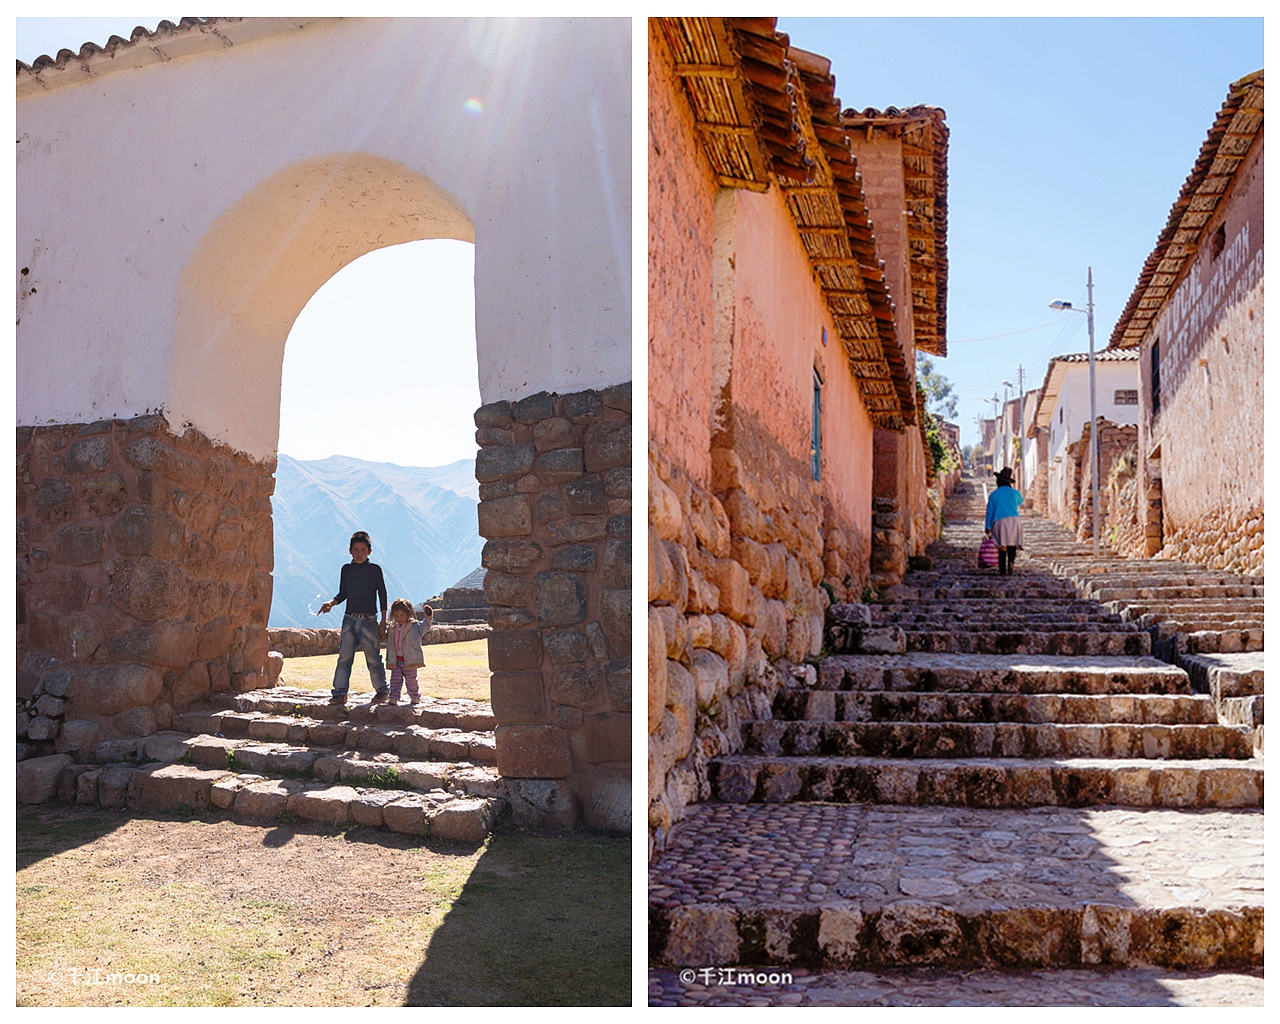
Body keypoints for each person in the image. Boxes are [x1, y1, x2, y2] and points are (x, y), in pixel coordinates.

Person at [318, 530, 389, 704]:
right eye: (356, 549)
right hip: (349, 619)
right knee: (344, 656)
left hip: (369, 620)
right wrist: (331, 603)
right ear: (350, 550)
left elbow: (382, 594)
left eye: (363, 550)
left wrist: (383, 620)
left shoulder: (375, 570)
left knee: (373, 657)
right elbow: (343, 593)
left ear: (369, 552)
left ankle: (382, 691)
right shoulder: (346, 570)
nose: (359, 553)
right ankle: (340, 692)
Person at [386, 598, 434, 705]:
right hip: (396, 660)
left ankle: (415, 696)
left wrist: (428, 617)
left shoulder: (415, 627)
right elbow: (387, 640)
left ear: (408, 614)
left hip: (410, 659)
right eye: (396, 616)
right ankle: (393, 698)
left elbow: (425, 627)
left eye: (402, 615)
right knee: (395, 680)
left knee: (411, 680)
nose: (399, 618)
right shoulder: (392, 628)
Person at [985, 467, 1024, 575]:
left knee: (1002, 546)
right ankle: (1011, 562)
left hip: (999, 521)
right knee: (1012, 544)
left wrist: (987, 527)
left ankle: (1002, 569)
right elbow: (1020, 502)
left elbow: (990, 512)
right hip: (1015, 521)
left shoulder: (993, 495)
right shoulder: (1015, 493)